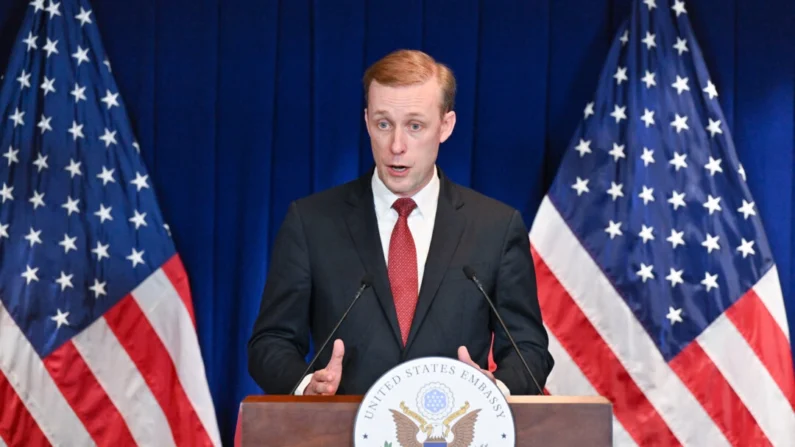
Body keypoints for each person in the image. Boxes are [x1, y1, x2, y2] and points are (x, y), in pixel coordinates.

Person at [247, 49, 554, 396]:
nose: (396, 145)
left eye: (415, 126)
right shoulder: (311, 222)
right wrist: (306, 386)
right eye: (383, 124)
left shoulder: (495, 227)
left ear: (446, 126)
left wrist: (495, 389)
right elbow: (270, 342)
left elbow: (529, 349)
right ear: (366, 122)